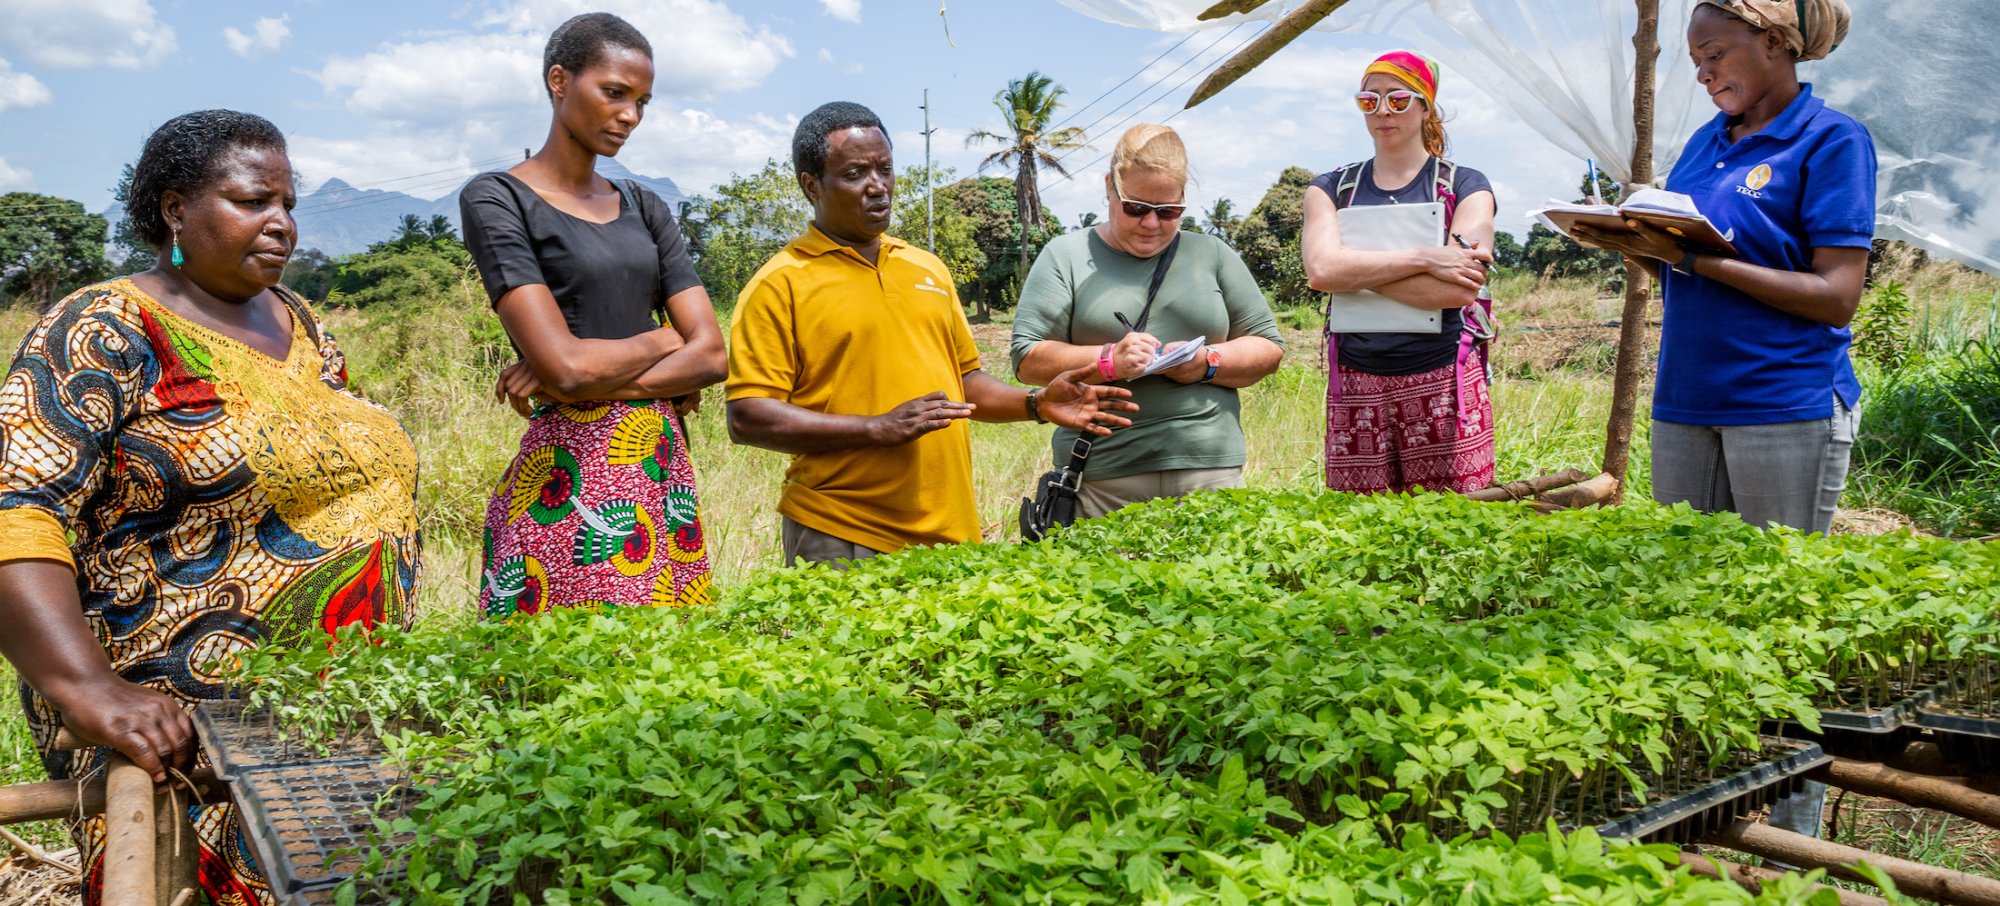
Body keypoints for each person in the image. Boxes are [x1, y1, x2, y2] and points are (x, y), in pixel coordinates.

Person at [0, 109, 419, 904]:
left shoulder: (296, 320)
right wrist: (89, 691)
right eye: (254, 201)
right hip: (184, 735)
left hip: (338, 716)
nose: (282, 224)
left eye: (289, 205)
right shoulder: (103, 327)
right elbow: (17, 506)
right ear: (174, 209)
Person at [1572, 0, 1868, 843]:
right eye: (1696, 61)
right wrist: (1636, 239)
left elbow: (1836, 294)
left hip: (1785, 402)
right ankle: (1709, 805)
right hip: (1688, 402)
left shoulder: (1831, 140)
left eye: (1715, 54)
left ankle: (1793, 832)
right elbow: (1684, 251)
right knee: (1688, 609)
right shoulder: (1708, 144)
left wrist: (1701, 259)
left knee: (1778, 616)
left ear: (1775, 42)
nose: (1701, 74)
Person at [726, 101, 1137, 566]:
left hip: (950, 533)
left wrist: (1036, 404)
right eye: (856, 173)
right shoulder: (780, 283)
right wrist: (876, 428)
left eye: (885, 168)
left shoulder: (926, 268)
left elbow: (964, 384)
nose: (878, 186)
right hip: (841, 530)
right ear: (811, 185)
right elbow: (748, 416)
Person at [462, 13, 727, 616]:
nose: (630, 115)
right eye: (614, 93)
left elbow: (712, 354)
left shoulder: (643, 203)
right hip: (567, 478)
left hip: (659, 469)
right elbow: (568, 368)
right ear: (559, 80)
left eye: (642, 101)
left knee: (665, 678)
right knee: (557, 680)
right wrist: (663, 339)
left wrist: (571, 373)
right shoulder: (498, 198)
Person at [1010, 124, 1284, 518]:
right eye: (1135, 208)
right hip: (1102, 472)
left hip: (1208, 468)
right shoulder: (1064, 256)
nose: (1151, 224)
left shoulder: (1212, 254)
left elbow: (1268, 347)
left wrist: (1206, 363)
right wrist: (1108, 361)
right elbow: (1027, 358)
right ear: (1110, 187)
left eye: (1168, 211)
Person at [1300, 50, 1499, 495]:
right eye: (1369, 101)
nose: (1383, 111)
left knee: (1455, 529)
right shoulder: (1330, 188)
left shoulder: (1465, 186)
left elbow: (1456, 291)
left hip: (1443, 376)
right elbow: (1321, 271)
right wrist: (1427, 258)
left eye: (1398, 99)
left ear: (1426, 105)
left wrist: (1351, 267)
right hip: (1356, 380)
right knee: (1361, 532)